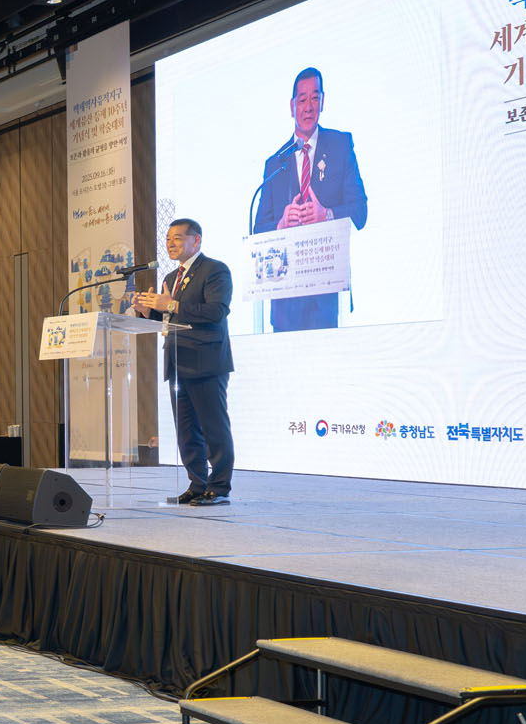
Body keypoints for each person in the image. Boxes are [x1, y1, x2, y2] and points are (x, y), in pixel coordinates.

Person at [254, 66, 369, 333]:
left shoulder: (341, 145)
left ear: (323, 102)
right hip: (285, 302)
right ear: (292, 106)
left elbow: (360, 211)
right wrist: (281, 224)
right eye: (302, 100)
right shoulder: (275, 162)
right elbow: (259, 229)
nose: (308, 107)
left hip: (326, 296)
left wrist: (326, 215)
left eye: (315, 98)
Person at [134, 217, 235, 504]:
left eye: (177, 238)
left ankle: (219, 487)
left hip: (206, 362)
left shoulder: (215, 270)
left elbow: (216, 311)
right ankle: (197, 484)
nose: (170, 244)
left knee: (214, 428)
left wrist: (171, 304)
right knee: (186, 432)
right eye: (168, 239)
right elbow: (170, 315)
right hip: (177, 362)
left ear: (196, 240)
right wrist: (148, 311)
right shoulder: (170, 278)